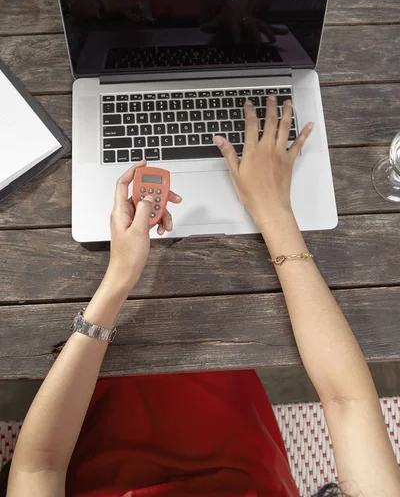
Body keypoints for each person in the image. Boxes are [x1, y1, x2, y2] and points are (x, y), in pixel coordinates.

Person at [5, 97, 400, 497]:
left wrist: (119, 280)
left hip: (105, 441)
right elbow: (348, 399)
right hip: (238, 444)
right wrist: (274, 210)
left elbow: (40, 466)